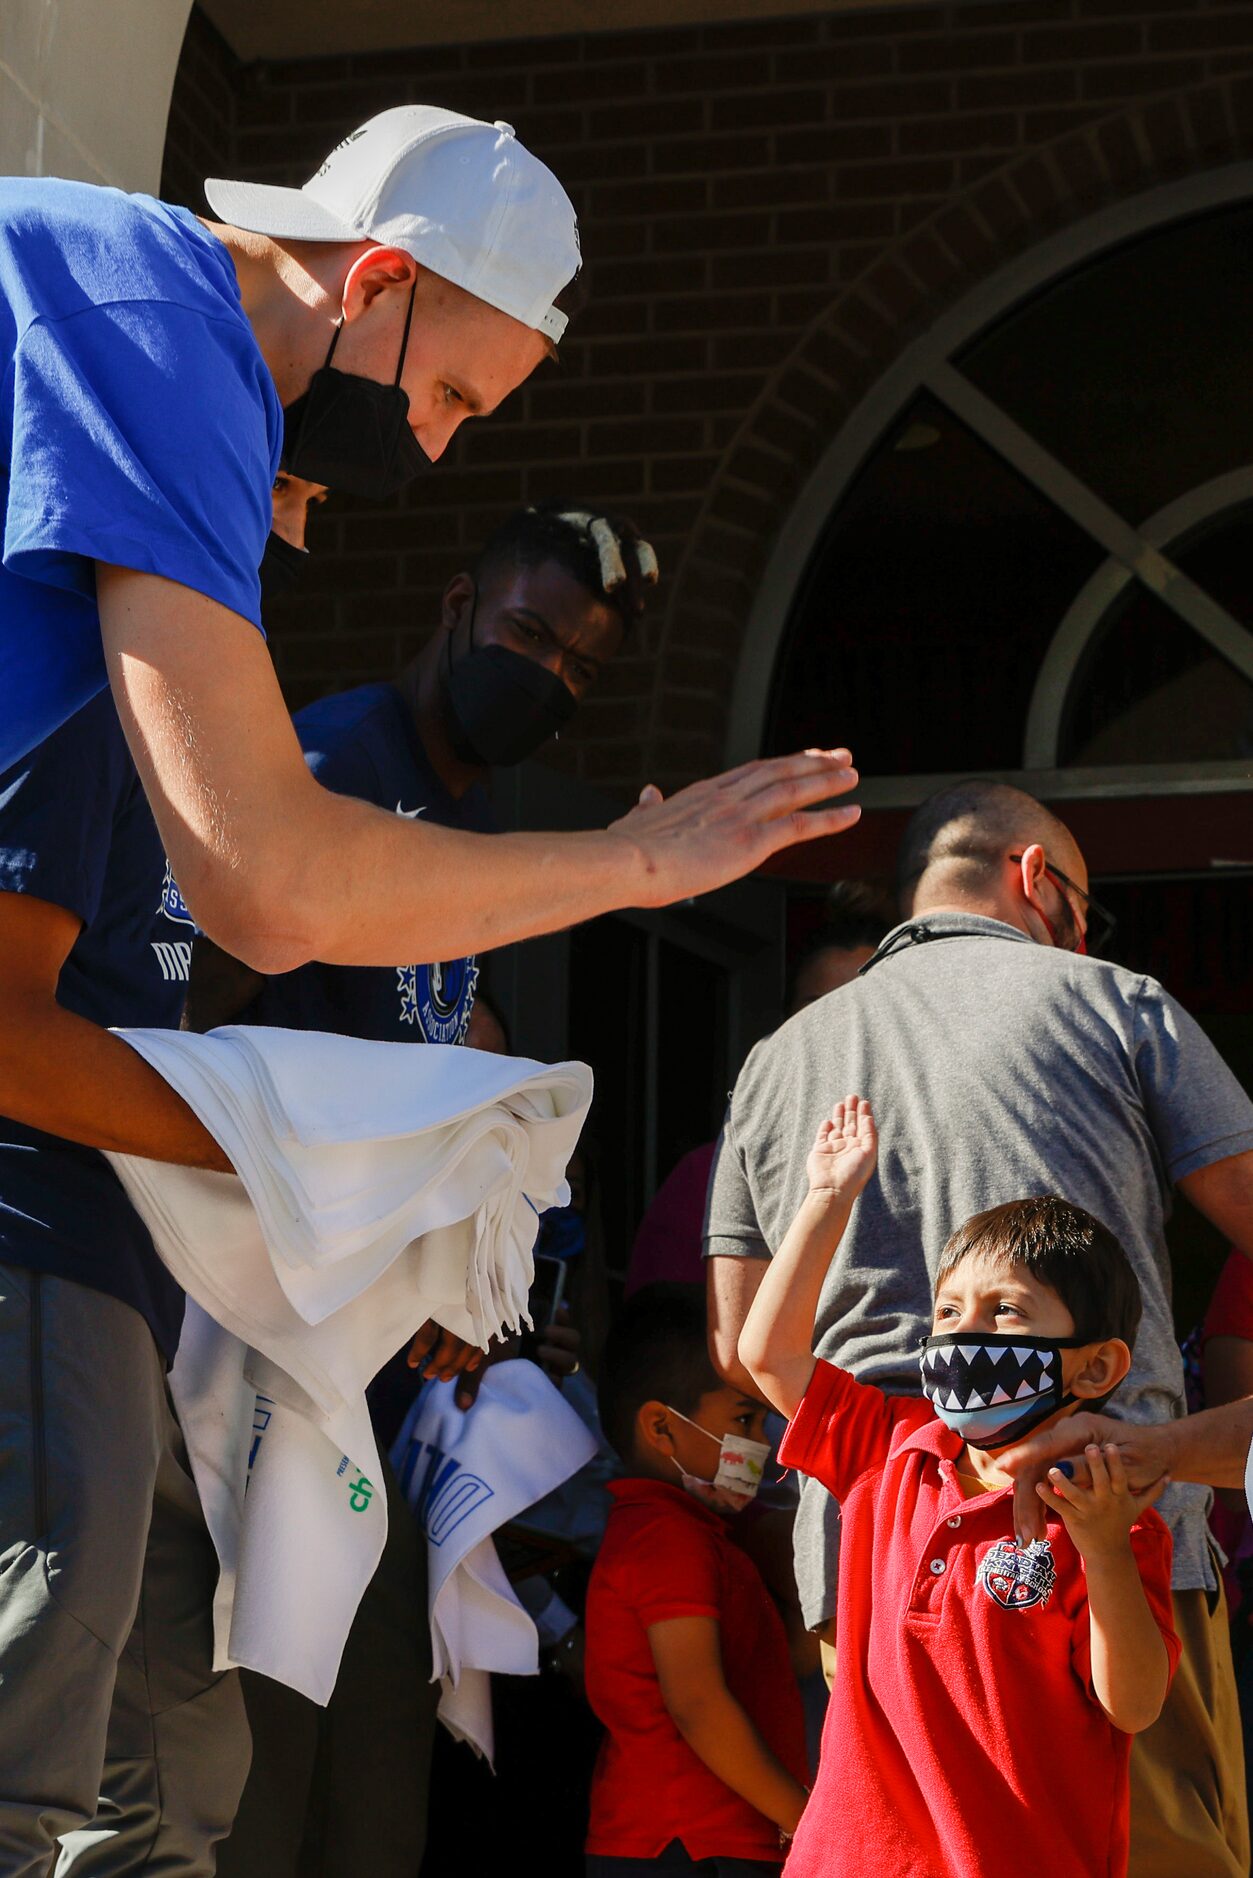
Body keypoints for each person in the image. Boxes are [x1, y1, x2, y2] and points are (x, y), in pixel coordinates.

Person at [0, 102, 861, 1146]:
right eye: (446, 391)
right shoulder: (169, 343)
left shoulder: (114, 292)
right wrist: (639, 863)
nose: (435, 448)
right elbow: (270, 886)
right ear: (374, 283)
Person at [198, 502, 654, 1878]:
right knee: (262, 1785)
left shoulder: (466, 811)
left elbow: (443, 1073)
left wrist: (483, 1280)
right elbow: (254, 1066)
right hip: (261, 1375)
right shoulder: (335, 762)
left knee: (374, 1799)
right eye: (529, 635)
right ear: (458, 602)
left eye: (579, 666)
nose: (548, 676)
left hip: (384, 1405)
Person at [705, 778, 1253, 1877]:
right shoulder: (1107, 998)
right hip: (1094, 1514)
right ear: (1037, 880)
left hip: (873, 1578)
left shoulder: (776, 1062)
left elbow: (738, 1344)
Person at [0, 476, 322, 1874]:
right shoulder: (70, 660)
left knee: (155, 1764)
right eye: (282, 482)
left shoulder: (173, 709)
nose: (303, 534)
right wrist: (285, 1147)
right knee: (37, 1700)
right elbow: (11, 1034)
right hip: (34, 1226)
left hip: (126, 1262)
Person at [739, 1095, 1179, 1878]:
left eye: (1004, 1311)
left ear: (1096, 1366)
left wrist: (1105, 1548)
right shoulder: (890, 1447)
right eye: (946, 1312)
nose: (963, 1333)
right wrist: (826, 1198)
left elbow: (1133, 1706)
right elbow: (766, 1356)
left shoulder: (1109, 1515)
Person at [583, 1284, 809, 1875]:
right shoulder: (666, 1538)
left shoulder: (696, 1535)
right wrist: (811, 1826)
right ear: (661, 1427)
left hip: (705, 1841)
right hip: (687, 1844)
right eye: (743, 1417)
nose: (762, 1443)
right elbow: (697, 1703)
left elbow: (765, 1667)